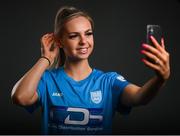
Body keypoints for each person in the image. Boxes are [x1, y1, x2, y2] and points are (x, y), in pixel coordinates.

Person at [11, 6, 170, 134]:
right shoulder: (48, 80)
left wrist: (160, 79)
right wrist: (45, 58)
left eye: (88, 34)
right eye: (74, 36)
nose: (83, 41)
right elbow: (20, 97)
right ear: (60, 42)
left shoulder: (108, 81)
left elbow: (140, 97)